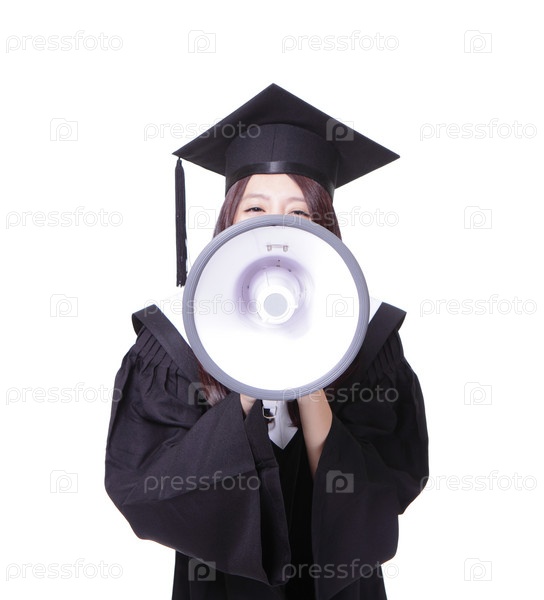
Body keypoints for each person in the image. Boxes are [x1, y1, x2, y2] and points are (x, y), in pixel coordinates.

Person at [104, 84, 429, 600]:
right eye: (255, 209)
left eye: (300, 213)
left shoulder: (370, 339)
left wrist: (312, 373)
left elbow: (387, 493)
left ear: (325, 228)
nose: (278, 225)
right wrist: (243, 374)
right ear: (228, 221)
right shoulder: (171, 341)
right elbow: (143, 490)